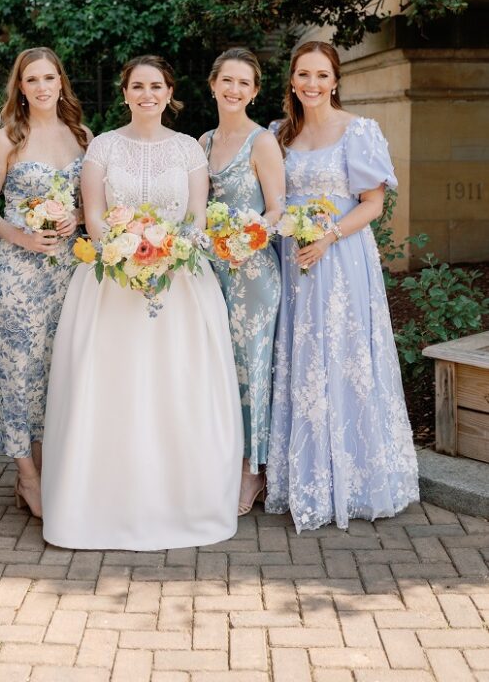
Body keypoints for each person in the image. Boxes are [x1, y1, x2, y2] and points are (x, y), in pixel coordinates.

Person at [42, 55, 243, 550]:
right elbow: (93, 215)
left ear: (170, 92)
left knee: (175, 387)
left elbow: (196, 216)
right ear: (125, 92)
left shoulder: (189, 150)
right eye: (137, 86)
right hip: (112, 283)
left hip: (181, 285)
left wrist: (167, 253)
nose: (147, 94)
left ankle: (180, 501)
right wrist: (129, 252)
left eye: (156, 86)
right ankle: (101, 505)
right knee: (113, 389)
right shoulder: (103, 148)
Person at [266, 40, 419, 532]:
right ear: (292, 80)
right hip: (292, 261)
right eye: (303, 75)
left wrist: (328, 237)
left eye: (322, 75)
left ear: (335, 80)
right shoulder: (277, 135)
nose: (312, 84)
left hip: (342, 257)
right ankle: (305, 478)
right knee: (302, 359)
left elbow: (372, 204)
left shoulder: (359, 131)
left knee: (344, 354)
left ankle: (355, 480)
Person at [0, 47, 90, 520]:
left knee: (56, 369)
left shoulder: (83, 137)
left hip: (69, 271)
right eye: (32, 80)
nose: (43, 87)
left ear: (61, 83)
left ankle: (47, 468)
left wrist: (78, 216)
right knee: (19, 368)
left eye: (50, 78)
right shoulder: (5, 139)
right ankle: (27, 475)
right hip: (18, 271)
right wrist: (21, 237)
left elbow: (95, 205)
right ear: (21, 88)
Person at [201, 47, 284, 516]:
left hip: (253, 274)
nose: (234, 90)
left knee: (253, 367)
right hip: (214, 272)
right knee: (221, 368)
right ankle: (224, 460)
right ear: (213, 84)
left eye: (244, 84)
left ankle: (254, 472)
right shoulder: (203, 142)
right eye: (226, 80)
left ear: (254, 92)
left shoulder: (262, 142)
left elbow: (276, 209)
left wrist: (247, 237)